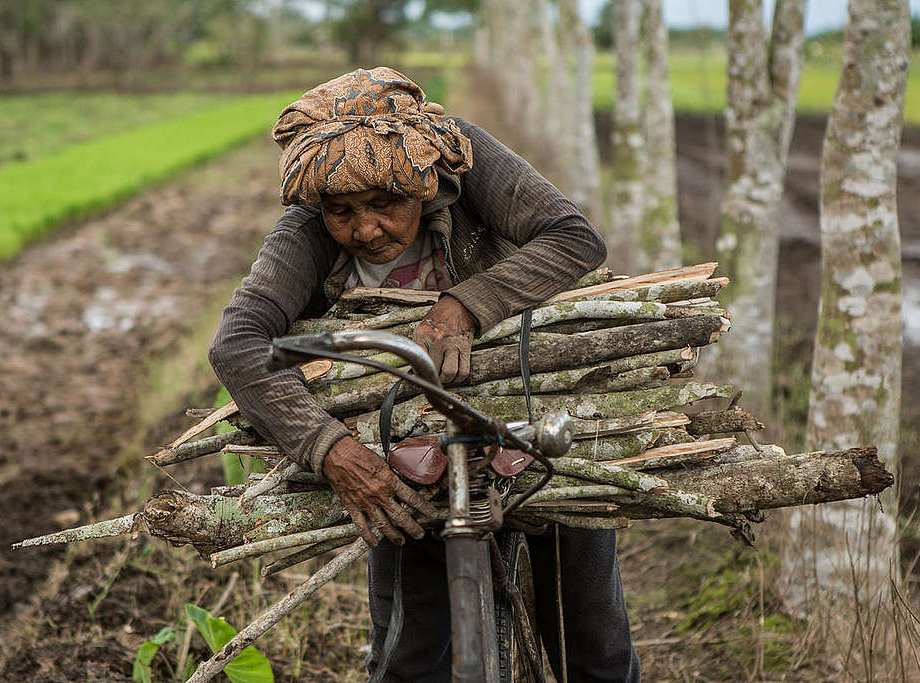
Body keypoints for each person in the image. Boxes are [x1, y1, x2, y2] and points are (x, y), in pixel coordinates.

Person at [209, 66, 641, 682]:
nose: (364, 230)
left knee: (590, 638)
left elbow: (574, 238)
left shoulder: (457, 162)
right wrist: (332, 450)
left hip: (528, 406)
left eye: (384, 205)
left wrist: (467, 302)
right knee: (412, 655)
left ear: (423, 185)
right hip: (403, 443)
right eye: (342, 213)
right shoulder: (309, 218)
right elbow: (237, 341)